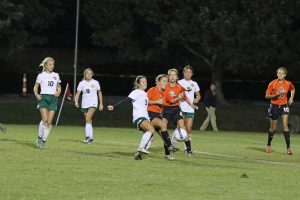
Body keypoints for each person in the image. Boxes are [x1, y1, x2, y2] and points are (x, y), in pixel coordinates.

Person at [107, 75, 155, 160]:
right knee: (151, 129)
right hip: (139, 117)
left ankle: (138, 155)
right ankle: (141, 148)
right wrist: (115, 106)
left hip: (145, 117)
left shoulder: (145, 94)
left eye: (146, 81)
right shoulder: (136, 92)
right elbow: (126, 100)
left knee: (151, 137)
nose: (145, 83)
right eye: (143, 82)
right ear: (138, 84)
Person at [163, 68, 197, 156]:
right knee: (163, 128)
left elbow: (184, 97)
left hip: (176, 110)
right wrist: (178, 98)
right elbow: (170, 101)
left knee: (183, 129)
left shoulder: (179, 87)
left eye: (174, 75)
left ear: (177, 77)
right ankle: (168, 149)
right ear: (168, 76)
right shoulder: (165, 86)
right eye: (170, 75)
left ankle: (189, 150)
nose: (172, 77)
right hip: (166, 110)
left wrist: (191, 105)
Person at [147, 74, 179, 160]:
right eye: (164, 81)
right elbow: (146, 102)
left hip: (158, 116)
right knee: (163, 125)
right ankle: (170, 146)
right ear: (158, 82)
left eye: (167, 81)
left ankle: (167, 154)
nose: (166, 83)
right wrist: (156, 101)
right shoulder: (152, 90)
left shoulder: (165, 93)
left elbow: (170, 103)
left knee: (165, 136)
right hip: (150, 114)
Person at [265, 67, 295, 155]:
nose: (280, 74)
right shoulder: (273, 83)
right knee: (273, 127)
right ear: (277, 74)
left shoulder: (288, 83)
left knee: (285, 125)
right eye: (278, 73)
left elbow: (292, 89)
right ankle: (268, 144)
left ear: (285, 75)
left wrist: (291, 98)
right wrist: (275, 95)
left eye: (282, 73)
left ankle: (288, 148)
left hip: (284, 105)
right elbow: (266, 95)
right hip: (274, 106)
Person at [33, 57, 61, 148]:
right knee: (44, 120)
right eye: (50, 64)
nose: (52, 66)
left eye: (53, 64)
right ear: (45, 65)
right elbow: (35, 87)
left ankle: (43, 141)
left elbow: (59, 86)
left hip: (53, 99)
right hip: (44, 98)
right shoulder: (41, 75)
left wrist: (59, 91)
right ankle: (39, 138)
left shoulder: (56, 75)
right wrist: (37, 94)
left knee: (49, 122)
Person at [74, 68, 104, 144]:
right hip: (84, 103)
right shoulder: (81, 83)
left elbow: (99, 93)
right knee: (89, 120)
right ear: (85, 74)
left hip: (93, 103)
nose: (89, 75)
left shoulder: (96, 82)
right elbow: (77, 94)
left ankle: (87, 137)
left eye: (90, 73)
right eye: (87, 73)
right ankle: (91, 138)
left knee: (87, 118)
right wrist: (76, 102)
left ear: (92, 75)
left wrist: (101, 103)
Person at [178, 65, 201, 153]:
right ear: (183, 73)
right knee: (180, 129)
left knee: (189, 129)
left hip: (190, 109)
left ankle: (186, 148)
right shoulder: (179, 82)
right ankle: (172, 144)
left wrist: (197, 99)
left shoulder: (194, 83)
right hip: (180, 108)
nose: (188, 74)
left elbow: (198, 95)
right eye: (186, 72)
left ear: (192, 74)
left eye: (190, 72)